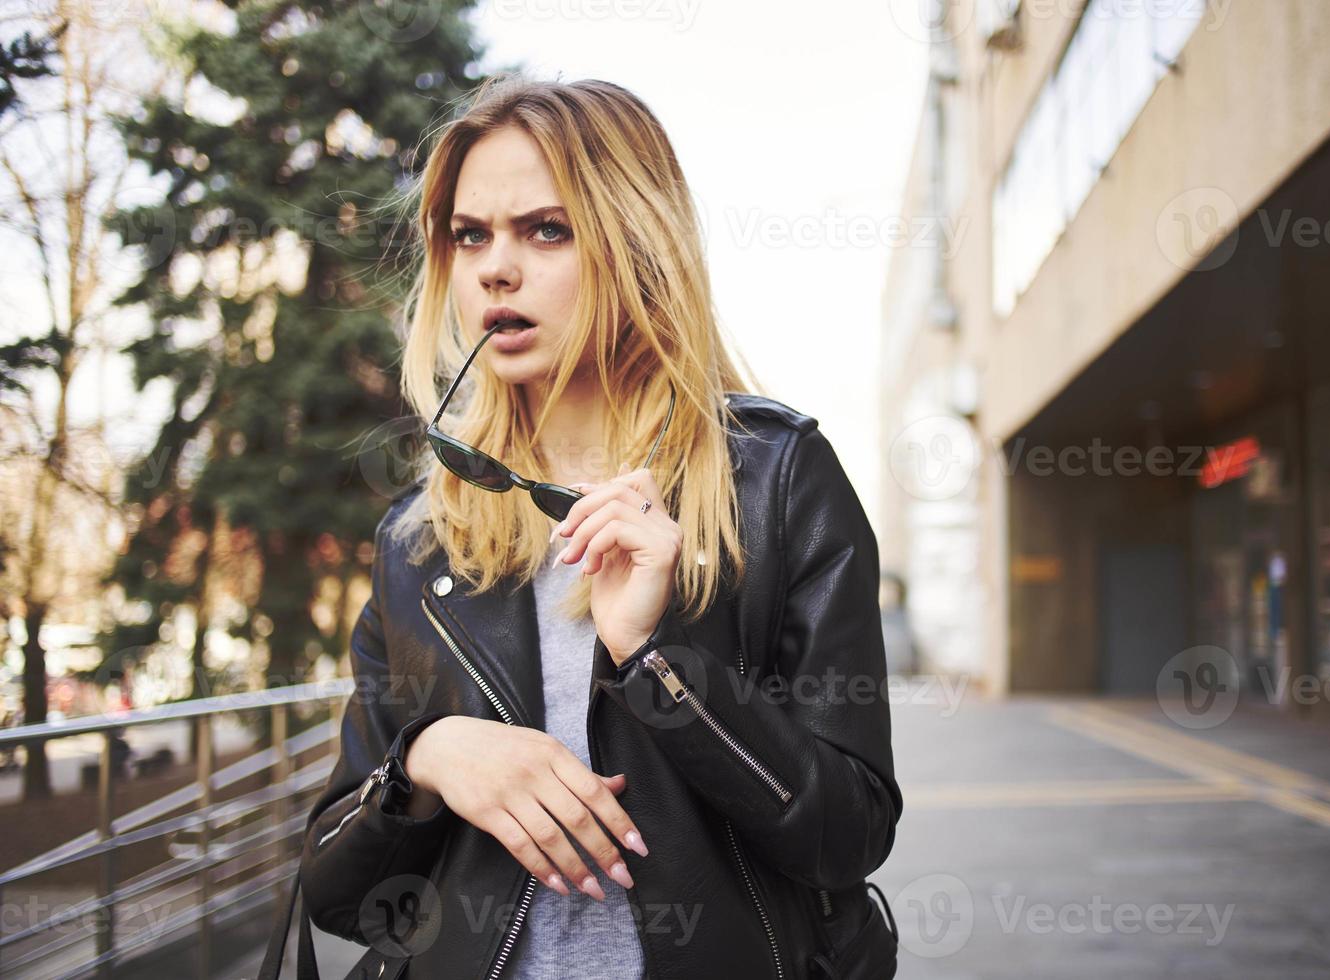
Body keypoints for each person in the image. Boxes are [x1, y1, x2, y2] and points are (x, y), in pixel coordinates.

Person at [294, 71, 902, 980]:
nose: (496, 266)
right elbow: (339, 895)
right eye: (470, 235)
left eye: (546, 229)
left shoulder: (774, 482)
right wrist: (429, 759)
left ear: (634, 245)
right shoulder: (421, 538)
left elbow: (845, 836)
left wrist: (659, 664)